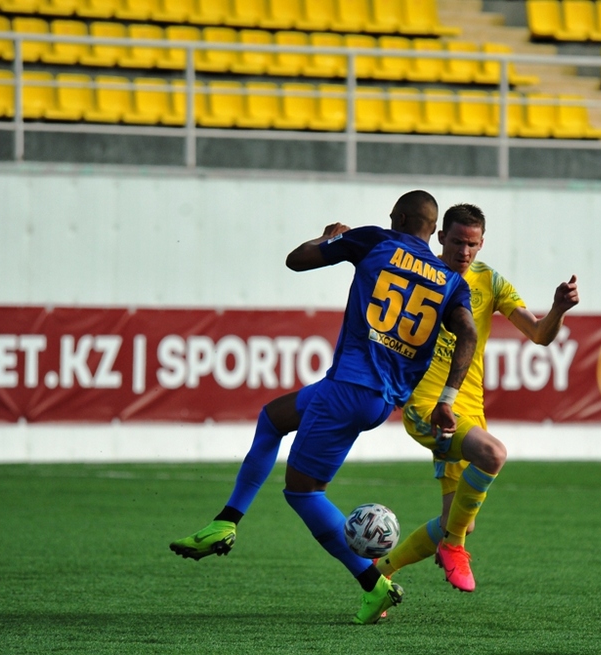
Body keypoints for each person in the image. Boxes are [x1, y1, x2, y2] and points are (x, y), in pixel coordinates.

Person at [171, 190, 478, 625]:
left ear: (400, 217)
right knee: (273, 418)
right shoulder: (451, 281)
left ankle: (373, 584)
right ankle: (225, 520)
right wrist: (447, 399)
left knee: (303, 492)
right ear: (434, 231)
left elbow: (296, 260)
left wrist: (329, 237)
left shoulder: (375, 240)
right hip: (376, 398)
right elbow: (468, 334)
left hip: (348, 389)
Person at [375, 203, 579, 593]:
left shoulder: (491, 281)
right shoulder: (421, 274)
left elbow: (540, 334)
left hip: (468, 407)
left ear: (482, 243)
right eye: (456, 242)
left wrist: (558, 309)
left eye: (472, 244)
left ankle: (379, 572)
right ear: (440, 238)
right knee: (492, 454)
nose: (464, 251)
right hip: (428, 406)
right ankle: (453, 547)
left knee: (460, 521)